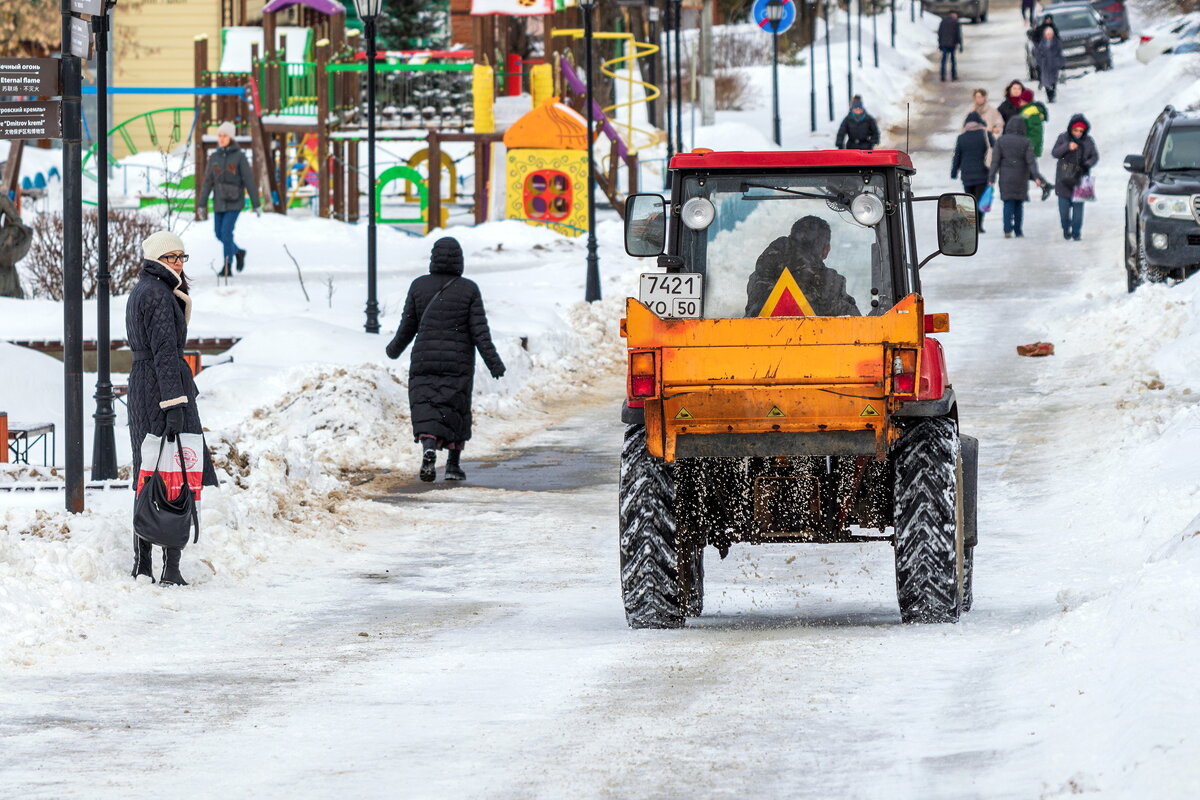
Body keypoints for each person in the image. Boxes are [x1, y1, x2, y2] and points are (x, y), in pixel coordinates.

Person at [125, 230, 219, 586]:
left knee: (147, 473)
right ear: (155, 260)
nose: (178, 263)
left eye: (182, 257)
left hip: (142, 386)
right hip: (164, 388)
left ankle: (143, 563)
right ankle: (172, 567)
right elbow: (165, 353)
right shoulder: (160, 295)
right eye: (171, 258)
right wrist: (175, 404)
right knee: (176, 473)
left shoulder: (141, 291)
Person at [385, 237, 505, 482]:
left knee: (427, 406)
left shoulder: (418, 286)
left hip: (424, 359)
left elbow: (407, 326)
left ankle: (428, 447)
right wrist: (494, 362)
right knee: (455, 408)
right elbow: (480, 332)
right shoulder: (469, 289)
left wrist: (393, 349)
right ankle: (452, 465)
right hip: (458, 361)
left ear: (433, 258)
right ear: (459, 260)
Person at [744, 216, 860, 317]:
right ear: (826, 250)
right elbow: (859, 330)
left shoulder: (758, 279)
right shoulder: (831, 285)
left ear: (789, 239)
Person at [198, 121, 260, 278]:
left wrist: (256, 204)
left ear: (231, 137)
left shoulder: (239, 157)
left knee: (226, 232)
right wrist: (201, 204)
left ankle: (227, 266)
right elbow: (208, 182)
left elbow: (249, 180)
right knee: (218, 233)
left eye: (224, 135)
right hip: (219, 201)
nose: (221, 138)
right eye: (219, 135)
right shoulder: (214, 157)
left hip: (235, 201)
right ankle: (238, 252)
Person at [988, 116, 1048, 238]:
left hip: (1006, 177)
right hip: (1021, 177)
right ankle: (1018, 230)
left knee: (1008, 203)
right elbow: (1031, 162)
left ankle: (1007, 229)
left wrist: (991, 178)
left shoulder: (1001, 141)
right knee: (1019, 204)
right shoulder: (1026, 142)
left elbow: (995, 161)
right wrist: (1036, 177)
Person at [1050, 114, 1099, 241]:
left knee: (1078, 211)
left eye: (1081, 131)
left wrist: (1086, 164)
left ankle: (1076, 233)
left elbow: (1094, 156)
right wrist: (1067, 147)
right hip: (1064, 178)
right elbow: (1055, 153)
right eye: (1075, 130)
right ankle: (1066, 228)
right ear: (1070, 129)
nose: (1078, 133)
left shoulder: (1088, 141)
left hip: (1082, 178)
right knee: (1064, 210)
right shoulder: (1063, 138)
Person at [951, 112, 995, 233]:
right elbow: (995, 151)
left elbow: (957, 156)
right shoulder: (986, 134)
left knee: (970, 200)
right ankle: (979, 225)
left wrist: (954, 172)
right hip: (982, 173)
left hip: (967, 175)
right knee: (980, 200)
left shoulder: (961, 137)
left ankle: (972, 225)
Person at [1034, 26, 1065, 103]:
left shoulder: (1056, 42)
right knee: (1046, 81)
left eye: (1050, 34)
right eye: (1047, 34)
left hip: (1054, 64)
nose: (1049, 36)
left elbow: (1060, 53)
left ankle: (1053, 94)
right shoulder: (1041, 43)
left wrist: (1060, 63)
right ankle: (1049, 95)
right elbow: (1038, 54)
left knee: (1054, 80)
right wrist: (1039, 63)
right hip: (1045, 65)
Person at [1019, 89, 1050, 161]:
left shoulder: (1032, 112)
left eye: (1021, 100)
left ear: (1025, 101)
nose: (1019, 102)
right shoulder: (1026, 109)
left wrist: (1031, 145)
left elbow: (1035, 131)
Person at [938, 12, 964, 82]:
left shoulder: (943, 22)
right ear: (953, 15)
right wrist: (960, 45)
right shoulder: (956, 23)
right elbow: (958, 35)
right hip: (952, 44)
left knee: (944, 60)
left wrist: (940, 43)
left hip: (944, 44)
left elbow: (940, 33)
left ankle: (943, 75)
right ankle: (954, 75)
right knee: (953, 60)